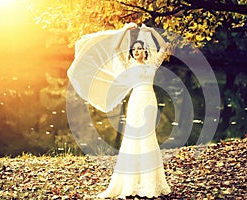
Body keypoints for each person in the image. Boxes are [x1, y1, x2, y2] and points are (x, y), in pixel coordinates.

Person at [67, 22, 171, 199]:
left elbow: (165, 47)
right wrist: (124, 31)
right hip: (137, 101)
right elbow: (116, 49)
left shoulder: (152, 63)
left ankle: (149, 183)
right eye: (134, 49)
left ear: (145, 51)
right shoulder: (129, 65)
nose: (136, 51)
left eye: (139, 48)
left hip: (149, 101)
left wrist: (152, 31)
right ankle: (131, 183)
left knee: (148, 138)